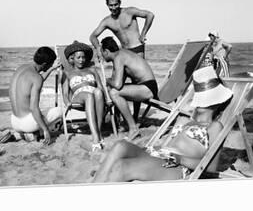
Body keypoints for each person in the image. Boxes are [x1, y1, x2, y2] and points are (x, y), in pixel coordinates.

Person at [93, 65, 233, 183]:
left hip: (177, 166)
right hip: (158, 155)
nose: (204, 102)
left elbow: (211, 167)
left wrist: (179, 158)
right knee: (120, 146)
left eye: (208, 99)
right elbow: (167, 144)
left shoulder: (215, 126)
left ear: (218, 101)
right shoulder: (188, 120)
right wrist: (151, 150)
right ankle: (92, 191)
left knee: (122, 167)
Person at [100, 36, 158, 140]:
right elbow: (119, 81)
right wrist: (111, 81)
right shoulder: (122, 54)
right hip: (146, 86)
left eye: (102, 52)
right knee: (113, 91)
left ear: (106, 51)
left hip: (147, 88)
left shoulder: (118, 57)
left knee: (114, 92)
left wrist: (106, 80)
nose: (102, 56)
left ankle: (133, 128)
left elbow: (117, 85)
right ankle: (120, 121)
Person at [8, 47, 62, 145]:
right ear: (45, 64)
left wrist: (52, 68)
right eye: (50, 64)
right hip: (28, 123)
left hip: (14, 121)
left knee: (41, 114)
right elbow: (33, 108)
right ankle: (37, 133)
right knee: (60, 111)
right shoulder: (36, 78)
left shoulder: (21, 68)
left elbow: (38, 79)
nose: (50, 65)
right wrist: (45, 130)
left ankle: (21, 134)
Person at [62, 41, 108, 151]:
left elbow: (100, 87)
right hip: (79, 96)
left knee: (97, 92)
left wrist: (107, 98)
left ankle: (98, 131)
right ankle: (96, 138)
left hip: (95, 96)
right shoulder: (67, 73)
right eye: (78, 57)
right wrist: (67, 102)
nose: (82, 60)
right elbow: (64, 93)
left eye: (83, 57)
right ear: (72, 58)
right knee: (89, 95)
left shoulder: (92, 70)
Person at [90, 0, 155, 59]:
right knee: (118, 70)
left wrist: (143, 34)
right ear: (107, 4)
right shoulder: (107, 21)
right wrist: (98, 48)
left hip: (137, 48)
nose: (114, 8)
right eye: (111, 5)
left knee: (138, 69)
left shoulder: (129, 11)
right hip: (124, 51)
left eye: (116, 4)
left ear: (120, 3)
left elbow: (150, 15)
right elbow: (92, 36)